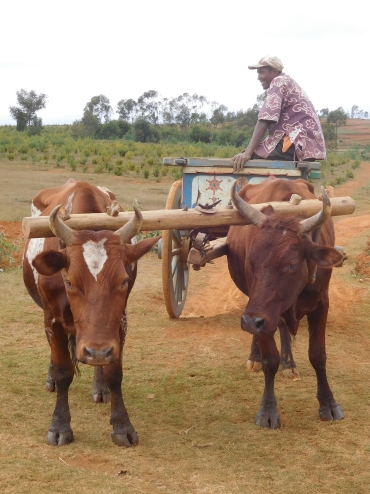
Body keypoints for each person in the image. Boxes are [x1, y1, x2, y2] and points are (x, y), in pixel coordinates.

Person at [232, 55, 326, 172]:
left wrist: (247, 153)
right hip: (307, 144)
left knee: (252, 156)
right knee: (257, 151)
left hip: (295, 142)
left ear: (275, 71)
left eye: (261, 72)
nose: (258, 77)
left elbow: (265, 119)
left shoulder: (278, 81)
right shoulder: (288, 81)